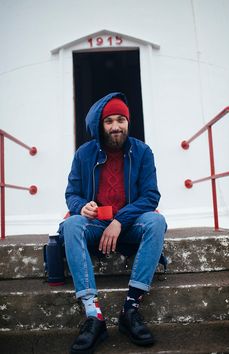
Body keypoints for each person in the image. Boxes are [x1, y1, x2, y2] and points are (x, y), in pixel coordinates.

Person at [58, 92, 167, 354]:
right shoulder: (84, 154)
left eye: (121, 119)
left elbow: (151, 196)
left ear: (128, 122)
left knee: (156, 221)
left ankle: (130, 310)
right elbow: (71, 194)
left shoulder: (142, 151)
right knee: (72, 225)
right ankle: (94, 316)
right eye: (109, 121)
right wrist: (80, 206)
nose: (116, 126)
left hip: (129, 225)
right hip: (96, 226)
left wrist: (119, 220)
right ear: (100, 125)